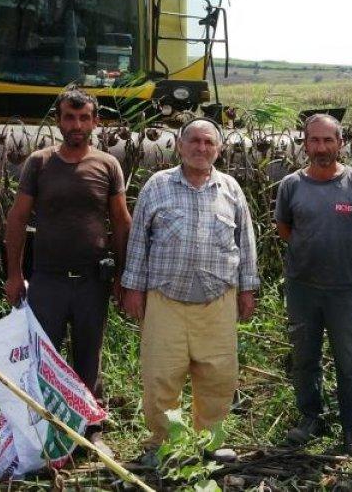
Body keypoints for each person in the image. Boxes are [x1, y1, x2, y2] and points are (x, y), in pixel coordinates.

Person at [120, 119, 259, 464]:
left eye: (209, 142)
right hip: (165, 298)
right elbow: (138, 240)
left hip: (218, 300)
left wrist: (247, 289)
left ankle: (210, 441)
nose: (201, 148)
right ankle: (164, 444)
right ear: (180, 145)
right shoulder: (158, 185)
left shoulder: (230, 189)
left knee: (218, 375)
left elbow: (245, 241)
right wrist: (133, 287)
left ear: (219, 149)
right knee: (160, 376)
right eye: (194, 141)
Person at [4, 89, 131, 456]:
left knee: (89, 357)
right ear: (58, 120)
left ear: (95, 122)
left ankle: (91, 431)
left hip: (92, 281)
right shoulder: (40, 163)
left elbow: (121, 222)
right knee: (44, 358)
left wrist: (122, 276)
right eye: (69, 118)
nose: (77, 125)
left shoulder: (108, 165)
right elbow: (18, 218)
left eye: (84, 118)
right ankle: (45, 430)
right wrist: (14, 274)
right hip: (48, 280)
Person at [275, 114, 352, 457]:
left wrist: (343, 253)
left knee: (349, 361)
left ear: (341, 143)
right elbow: (284, 228)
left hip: (344, 288)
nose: (321, 147)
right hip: (302, 287)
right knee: (305, 358)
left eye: (328, 140)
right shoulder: (291, 185)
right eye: (315, 140)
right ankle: (312, 418)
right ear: (305, 144)